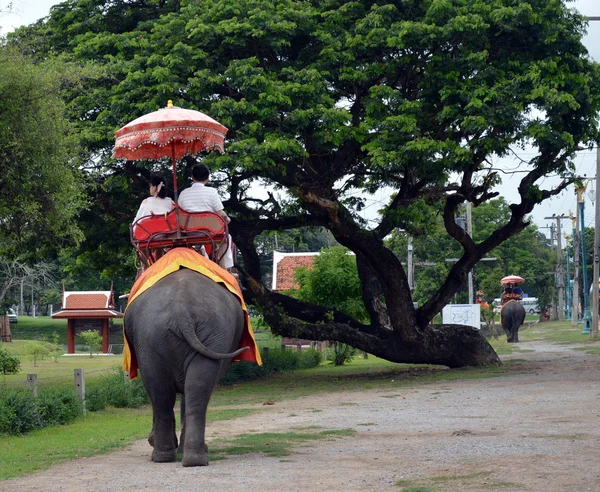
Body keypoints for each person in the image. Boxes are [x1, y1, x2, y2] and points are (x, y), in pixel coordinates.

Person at [178, 164, 234, 269]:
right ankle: (225, 268)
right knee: (227, 236)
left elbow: (179, 213)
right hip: (209, 232)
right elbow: (220, 213)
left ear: (192, 177)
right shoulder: (212, 192)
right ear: (207, 178)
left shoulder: (183, 194)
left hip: (188, 232)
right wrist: (227, 218)